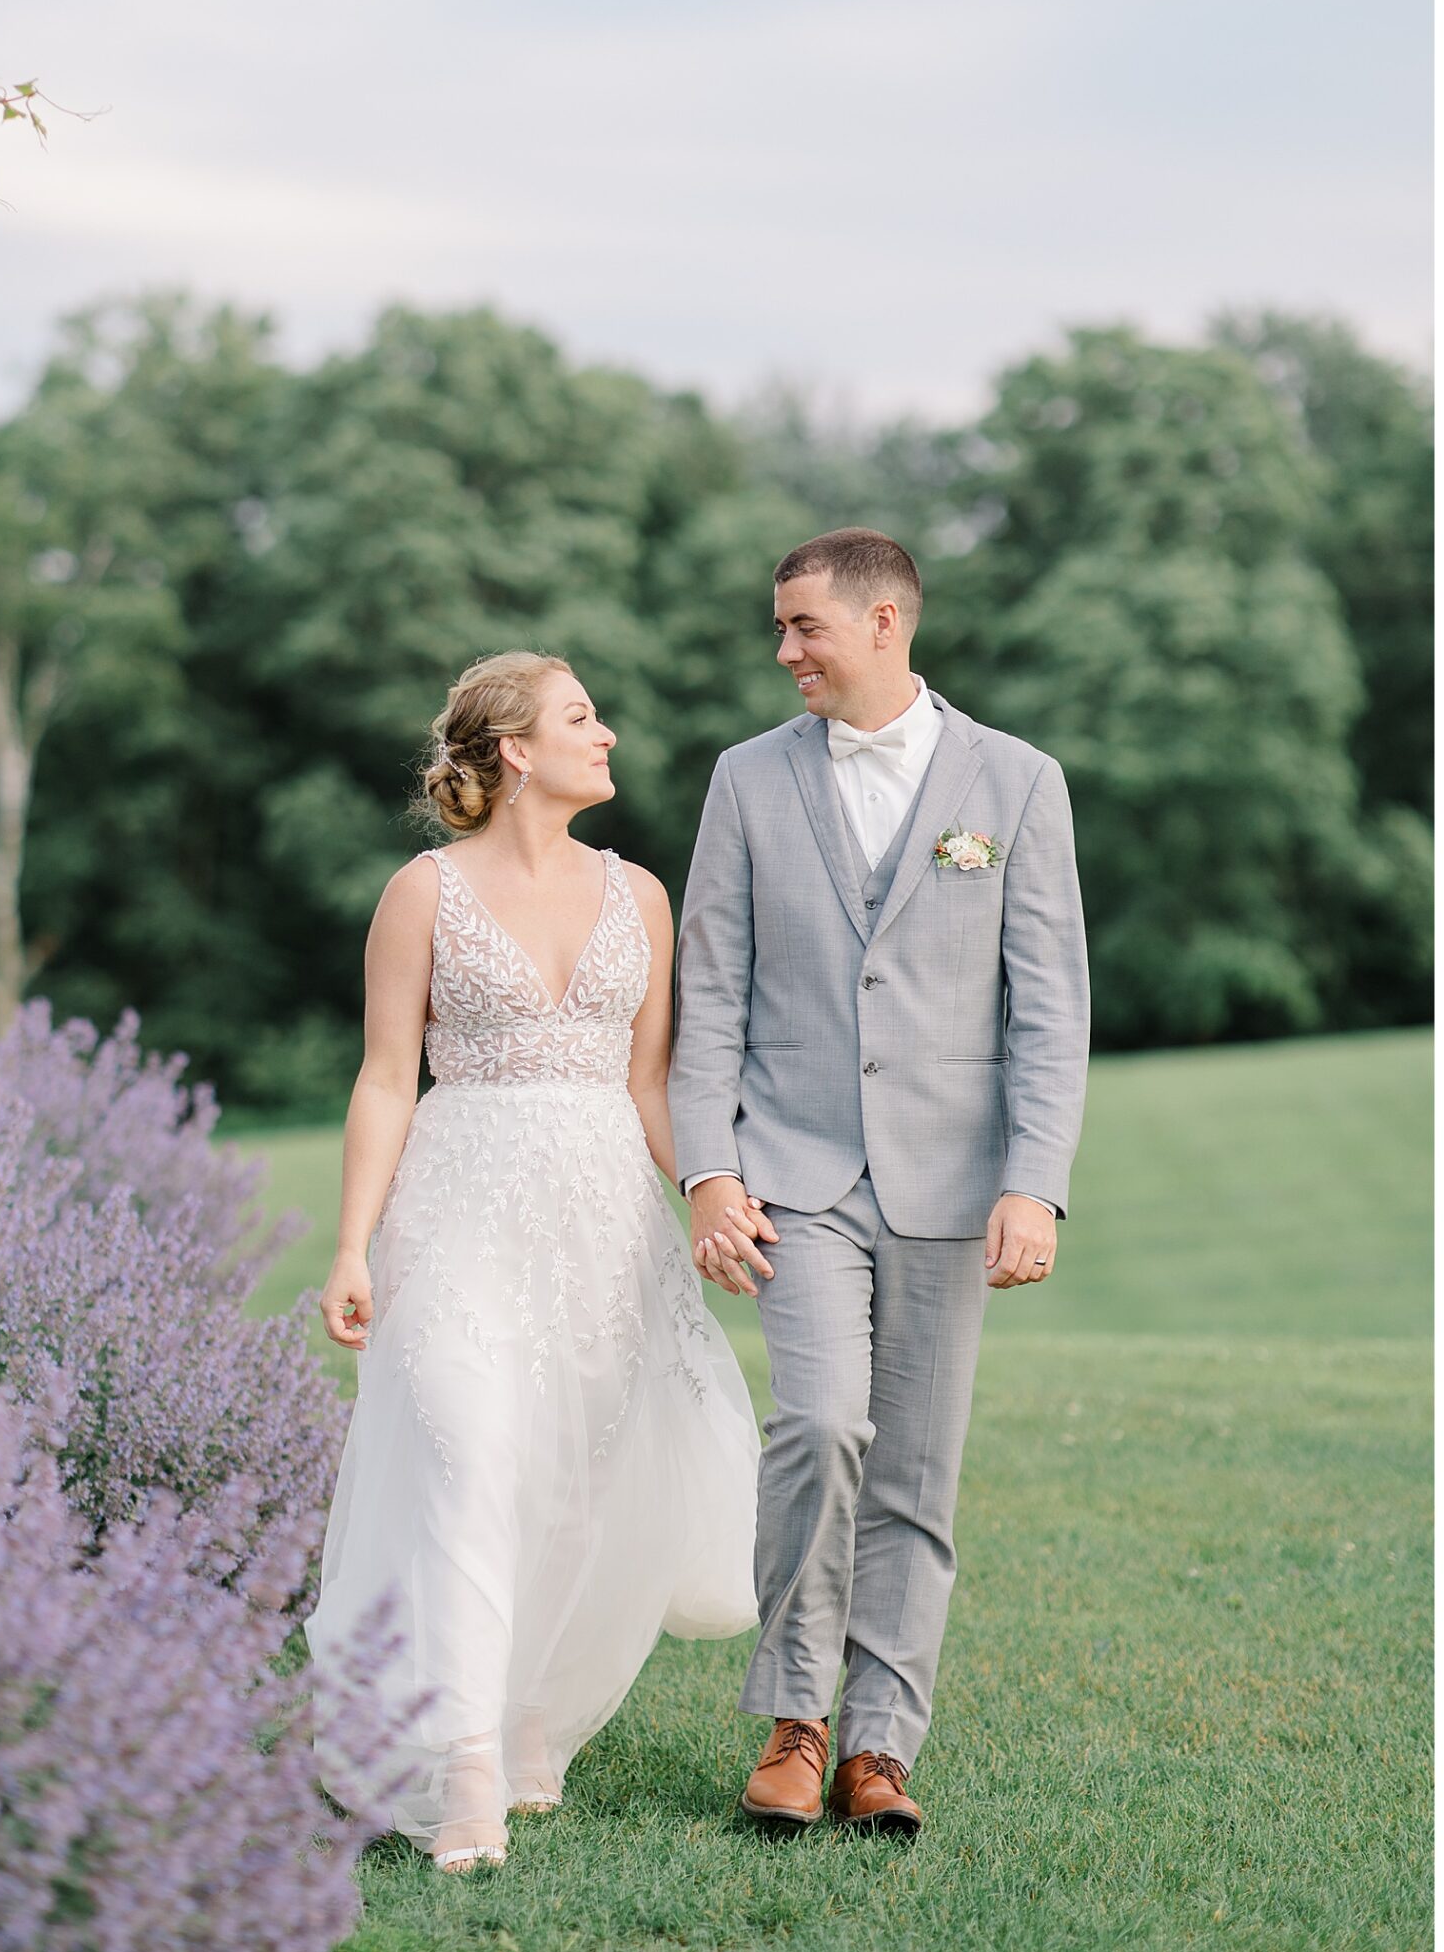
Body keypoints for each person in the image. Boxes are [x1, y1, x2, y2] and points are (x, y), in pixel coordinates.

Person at [305, 651, 761, 1873]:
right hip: (456, 1214)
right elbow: (387, 1077)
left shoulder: (641, 896)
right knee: (467, 1454)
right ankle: (461, 1774)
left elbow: (650, 1084)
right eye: (580, 717)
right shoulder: (423, 894)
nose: (605, 735)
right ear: (514, 748)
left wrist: (710, 1199)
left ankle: (525, 1718)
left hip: (605, 1224)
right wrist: (351, 1242)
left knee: (572, 1481)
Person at [670, 527, 1089, 1840]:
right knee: (818, 1425)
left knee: (916, 1472)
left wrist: (1034, 1180)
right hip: (793, 1174)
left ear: (885, 622)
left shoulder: (1015, 784)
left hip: (950, 1186)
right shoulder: (745, 782)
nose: (784, 649)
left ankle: (878, 1750)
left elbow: (1048, 1011)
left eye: (804, 627)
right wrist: (709, 1172)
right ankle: (796, 1717)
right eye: (778, 628)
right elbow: (709, 999)